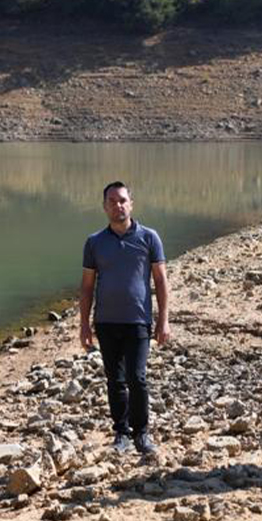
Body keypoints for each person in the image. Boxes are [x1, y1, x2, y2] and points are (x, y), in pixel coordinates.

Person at [79, 181, 171, 455]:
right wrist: (84, 324)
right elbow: (86, 287)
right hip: (106, 322)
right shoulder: (95, 242)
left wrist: (163, 320)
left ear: (131, 203)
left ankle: (142, 433)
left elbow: (161, 280)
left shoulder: (149, 237)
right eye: (112, 201)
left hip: (138, 321)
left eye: (122, 200)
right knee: (114, 380)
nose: (117, 206)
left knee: (137, 377)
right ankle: (121, 434)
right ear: (104, 206)